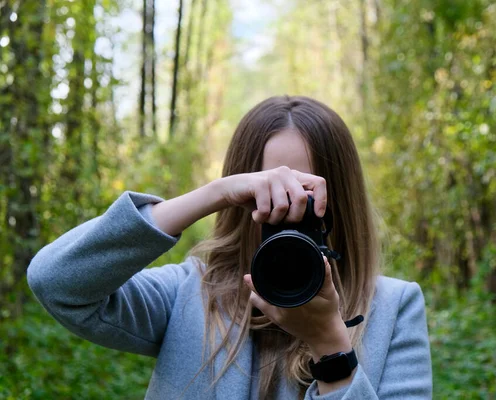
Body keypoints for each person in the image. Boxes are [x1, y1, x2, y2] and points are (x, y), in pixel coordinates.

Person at [27, 96, 432, 399]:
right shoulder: (191, 294)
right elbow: (56, 281)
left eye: (304, 196)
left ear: (339, 203)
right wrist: (214, 193)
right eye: (267, 193)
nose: (284, 212)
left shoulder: (393, 308)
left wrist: (330, 345)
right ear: (240, 203)